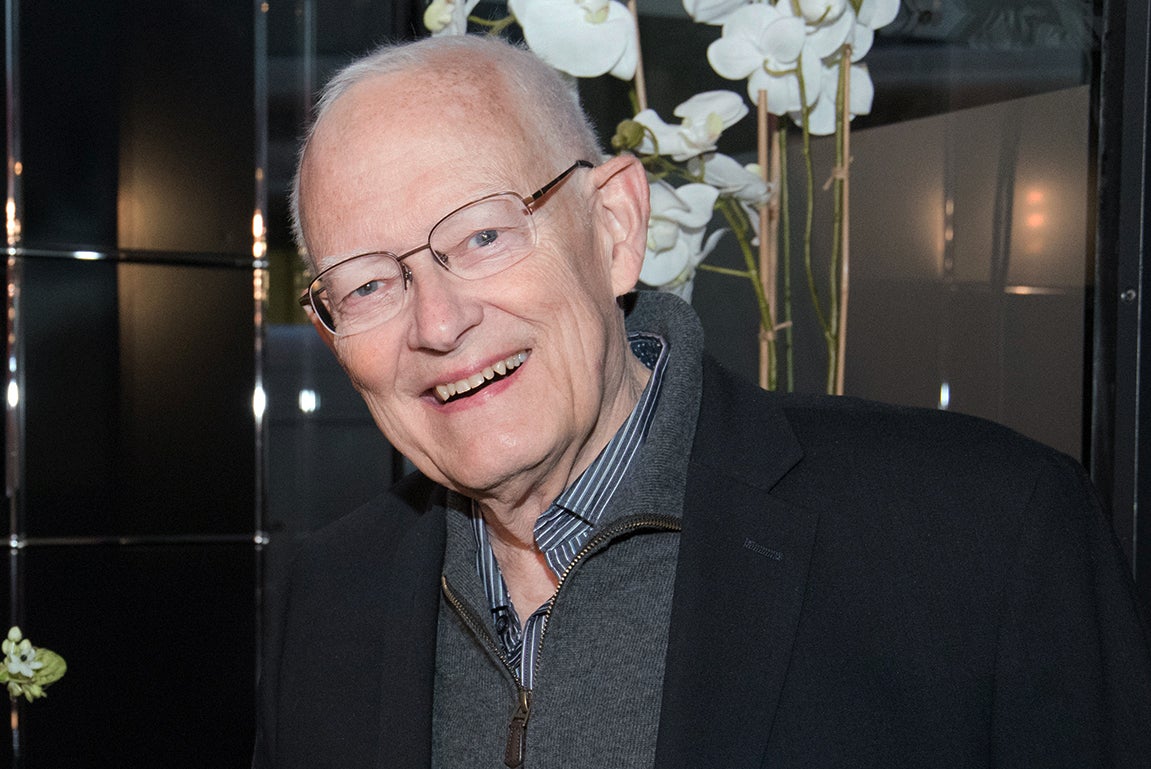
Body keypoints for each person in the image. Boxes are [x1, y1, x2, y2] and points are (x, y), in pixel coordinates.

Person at [254, 34, 1151, 769]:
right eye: (369, 285)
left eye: (484, 233)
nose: (439, 324)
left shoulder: (984, 536)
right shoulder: (330, 596)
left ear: (614, 227)